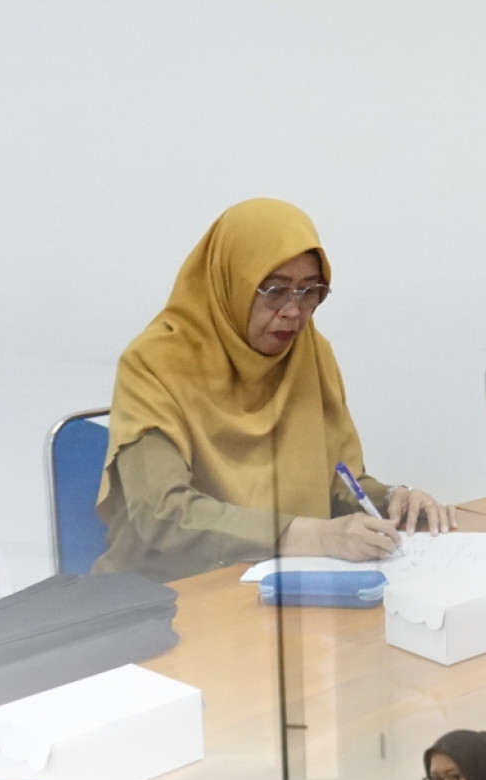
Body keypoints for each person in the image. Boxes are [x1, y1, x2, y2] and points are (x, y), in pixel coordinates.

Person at [94, 199, 451, 581]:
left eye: (309, 291)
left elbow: (337, 479)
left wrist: (392, 498)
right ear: (229, 283)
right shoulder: (154, 363)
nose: (293, 312)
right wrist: (315, 535)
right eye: (275, 291)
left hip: (285, 585)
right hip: (171, 591)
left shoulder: (309, 353)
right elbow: (163, 515)